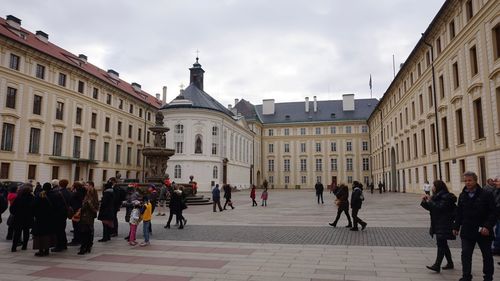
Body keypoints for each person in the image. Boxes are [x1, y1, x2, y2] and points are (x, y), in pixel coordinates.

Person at [453, 171, 496, 281]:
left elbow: (494, 212)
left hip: (483, 230)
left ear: (476, 181)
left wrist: (487, 226)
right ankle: (466, 276)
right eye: (465, 180)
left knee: (487, 255)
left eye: (469, 180)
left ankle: (488, 277)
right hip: (468, 230)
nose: (467, 183)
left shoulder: (486, 194)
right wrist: (456, 226)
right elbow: (459, 213)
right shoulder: (462, 195)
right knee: (466, 254)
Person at [420, 180, 457, 272]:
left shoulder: (446, 197)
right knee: (443, 244)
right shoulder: (437, 196)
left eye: (433, 186)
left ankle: (437, 265)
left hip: (444, 223)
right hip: (438, 223)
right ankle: (450, 263)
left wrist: (430, 200)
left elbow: (439, 207)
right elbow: (432, 208)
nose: (432, 187)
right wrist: (424, 201)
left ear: (438, 187)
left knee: (441, 244)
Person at [32, 183, 56, 257]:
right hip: (50, 218)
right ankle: (47, 249)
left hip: (40, 218)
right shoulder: (54, 195)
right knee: (48, 233)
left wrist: (35, 215)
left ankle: (41, 250)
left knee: (40, 234)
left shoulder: (39, 196)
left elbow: (34, 206)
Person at [10, 184, 34, 252]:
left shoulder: (19, 197)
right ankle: (24, 246)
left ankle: (14, 247)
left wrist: (15, 214)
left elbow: (12, 208)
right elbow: (34, 208)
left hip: (18, 217)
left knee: (17, 232)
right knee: (26, 232)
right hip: (28, 218)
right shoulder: (32, 198)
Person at [49, 179, 71, 252]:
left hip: (58, 213)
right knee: (62, 229)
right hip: (64, 213)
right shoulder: (68, 192)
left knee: (58, 230)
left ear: (60, 184)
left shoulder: (58, 193)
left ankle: (59, 246)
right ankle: (64, 244)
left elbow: (55, 204)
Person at [78, 181, 99, 255]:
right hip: (87, 215)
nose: (85, 186)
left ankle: (83, 248)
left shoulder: (92, 194)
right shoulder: (89, 193)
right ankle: (87, 246)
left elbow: (95, 206)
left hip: (87, 216)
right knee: (87, 232)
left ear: (91, 186)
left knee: (85, 232)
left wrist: (85, 205)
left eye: (87, 185)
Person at [68, 182, 86, 246]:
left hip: (76, 211)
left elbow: (70, 199)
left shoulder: (76, 193)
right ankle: (79, 239)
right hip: (79, 210)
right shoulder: (82, 192)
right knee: (78, 226)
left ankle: (76, 240)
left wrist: (71, 190)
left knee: (76, 226)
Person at [492, 175, 500, 258]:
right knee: (497, 232)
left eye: (497, 181)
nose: (495, 183)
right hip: (497, 216)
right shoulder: (495, 191)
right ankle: (497, 249)